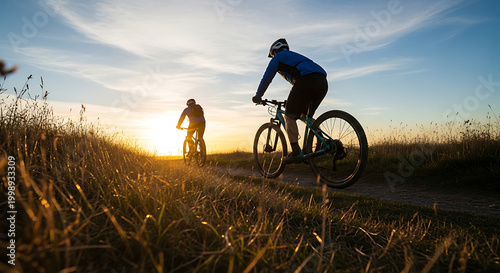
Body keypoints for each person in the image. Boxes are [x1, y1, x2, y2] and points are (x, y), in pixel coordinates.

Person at [252, 38, 328, 164]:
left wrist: (258, 95)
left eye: (272, 55)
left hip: (306, 80)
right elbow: (295, 84)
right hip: (322, 81)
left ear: (274, 52)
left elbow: (267, 77)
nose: (273, 57)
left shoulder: (278, 57)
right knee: (305, 115)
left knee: (289, 115)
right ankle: (322, 140)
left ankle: (295, 152)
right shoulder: (295, 57)